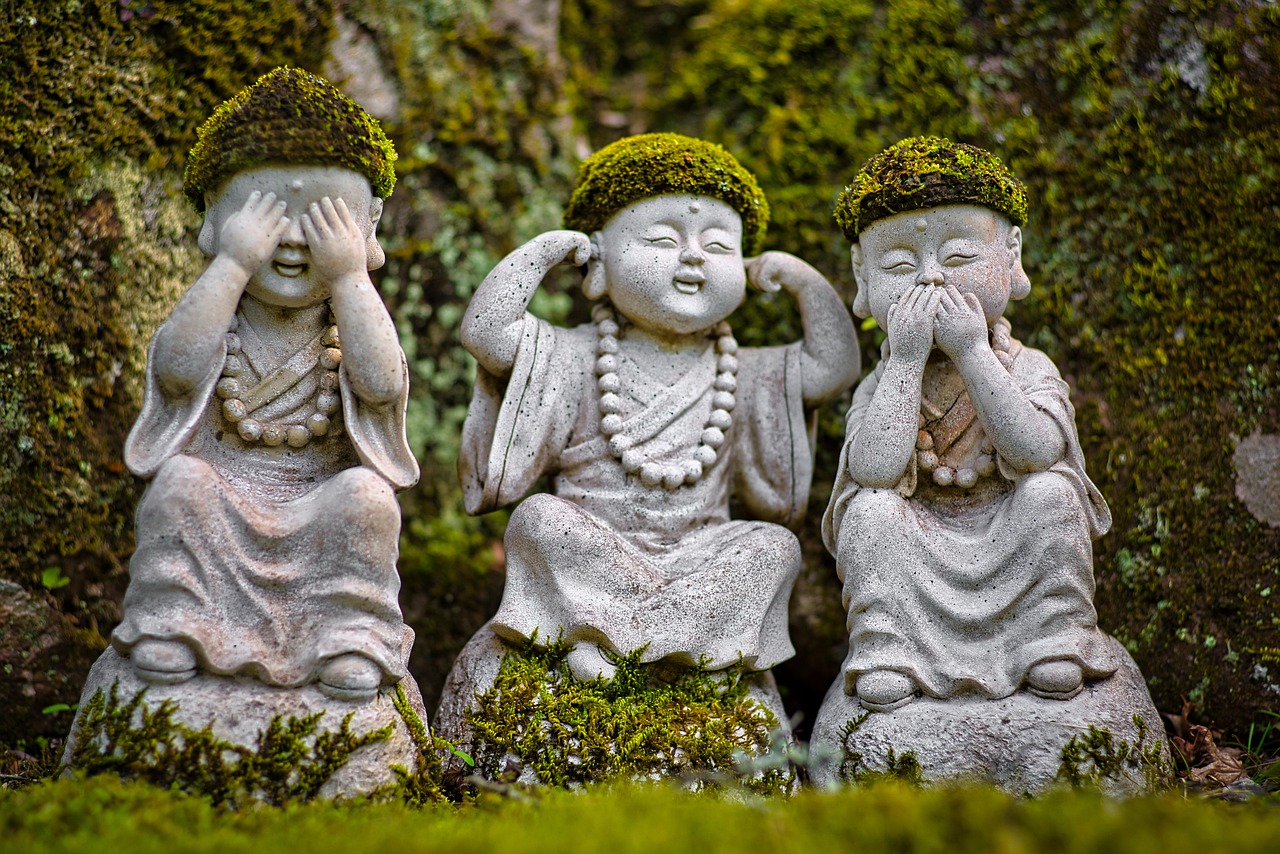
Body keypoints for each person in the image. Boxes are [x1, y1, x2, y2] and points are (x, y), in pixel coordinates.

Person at [458, 133, 859, 681]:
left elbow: (832, 369)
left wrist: (803, 281)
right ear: (598, 262)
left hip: (701, 551)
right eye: (662, 239)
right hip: (598, 543)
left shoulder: (745, 369)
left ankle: (638, 643)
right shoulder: (574, 354)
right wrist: (545, 251)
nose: (693, 255)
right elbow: (487, 335)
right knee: (540, 521)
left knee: (772, 547)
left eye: (718, 246)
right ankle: (639, 637)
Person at [110, 68, 419, 703]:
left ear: (370, 230)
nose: (296, 239)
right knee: (181, 484)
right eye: (268, 213)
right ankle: (174, 622)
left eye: (328, 219)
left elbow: (383, 385)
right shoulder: (217, 312)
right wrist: (231, 264)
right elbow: (176, 369)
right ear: (212, 218)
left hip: (317, 502)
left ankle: (349, 636)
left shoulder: (347, 318)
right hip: (224, 493)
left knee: (366, 498)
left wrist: (350, 279)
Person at [823, 136, 1117, 712]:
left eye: (958, 257)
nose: (931, 279)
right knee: (870, 511)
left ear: (1012, 258)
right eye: (901, 264)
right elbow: (875, 469)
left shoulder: (1027, 366)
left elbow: (1036, 450)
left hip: (1009, 530)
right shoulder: (881, 383)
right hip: (920, 540)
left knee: (1052, 493)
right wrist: (905, 360)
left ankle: (1051, 637)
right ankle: (889, 648)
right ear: (863, 279)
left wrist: (973, 352)